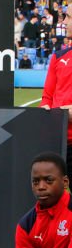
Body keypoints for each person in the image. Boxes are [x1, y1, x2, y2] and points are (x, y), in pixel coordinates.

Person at [39, 40, 72, 168]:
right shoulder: (58, 56)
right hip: (58, 140)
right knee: (51, 187)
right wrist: (44, 109)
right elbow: (47, 96)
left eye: (68, 18)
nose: (64, 22)